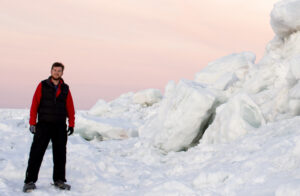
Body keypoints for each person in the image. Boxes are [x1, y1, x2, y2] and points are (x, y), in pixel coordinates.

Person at [23, 62, 75, 192]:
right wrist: (32, 123)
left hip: (59, 126)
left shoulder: (65, 88)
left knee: (60, 154)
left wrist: (71, 123)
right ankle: (29, 181)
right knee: (36, 152)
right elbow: (34, 104)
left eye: (59, 71)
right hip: (44, 125)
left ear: (62, 73)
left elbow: (70, 107)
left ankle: (59, 180)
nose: (56, 72)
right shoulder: (42, 85)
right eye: (54, 70)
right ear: (51, 71)